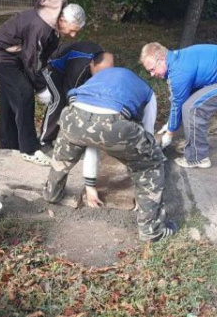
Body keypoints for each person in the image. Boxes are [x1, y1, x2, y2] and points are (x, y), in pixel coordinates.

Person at [42, 66, 177, 242]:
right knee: (150, 163)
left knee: (63, 156)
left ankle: (52, 194)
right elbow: (147, 135)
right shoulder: (147, 91)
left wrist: (90, 186)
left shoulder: (97, 79)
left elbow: (91, 142)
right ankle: (152, 230)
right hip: (112, 123)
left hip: (72, 116)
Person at [0, 0, 86, 166]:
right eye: (72, 30)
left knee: (9, 96)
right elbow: (32, 60)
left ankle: (10, 143)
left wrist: (42, 77)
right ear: (62, 20)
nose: (73, 35)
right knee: (23, 94)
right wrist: (41, 88)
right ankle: (29, 149)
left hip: (14, 54)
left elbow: (41, 56)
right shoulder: (41, 26)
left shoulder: (52, 24)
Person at [140, 42, 217, 169]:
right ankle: (194, 144)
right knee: (191, 103)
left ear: (162, 59)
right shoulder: (176, 59)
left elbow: (177, 104)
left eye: (152, 69)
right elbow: (179, 99)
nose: (152, 74)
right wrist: (169, 124)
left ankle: (198, 157)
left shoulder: (179, 71)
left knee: (193, 108)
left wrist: (169, 133)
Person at [39, 46, 115, 207]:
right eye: (99, 74)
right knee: (58, 100)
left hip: (72, 69)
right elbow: (73, 96)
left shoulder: (102, 63)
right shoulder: (79, 68)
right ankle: (44, 141)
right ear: (92, 65)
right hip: (53, 68)